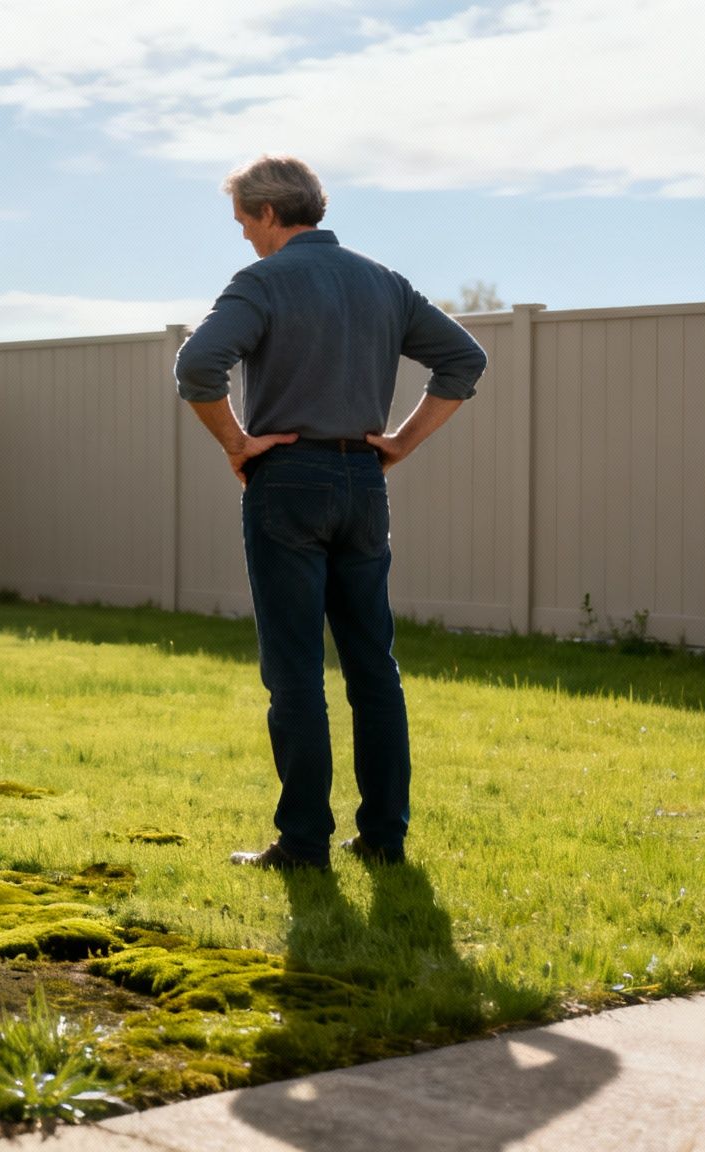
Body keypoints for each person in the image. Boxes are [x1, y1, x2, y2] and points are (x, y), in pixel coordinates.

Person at [173, 154, 487, 871]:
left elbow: (197, 368)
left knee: (295, 672)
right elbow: (464, 361)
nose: (244, 239)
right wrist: (400, 443)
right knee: (374, 667)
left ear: (268, 213)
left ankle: (304, 844)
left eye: (243, 224)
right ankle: (384, 837)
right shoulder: (383, 282)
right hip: (363, 483)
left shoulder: (262, 282)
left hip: (287, 481)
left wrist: (237, 445)